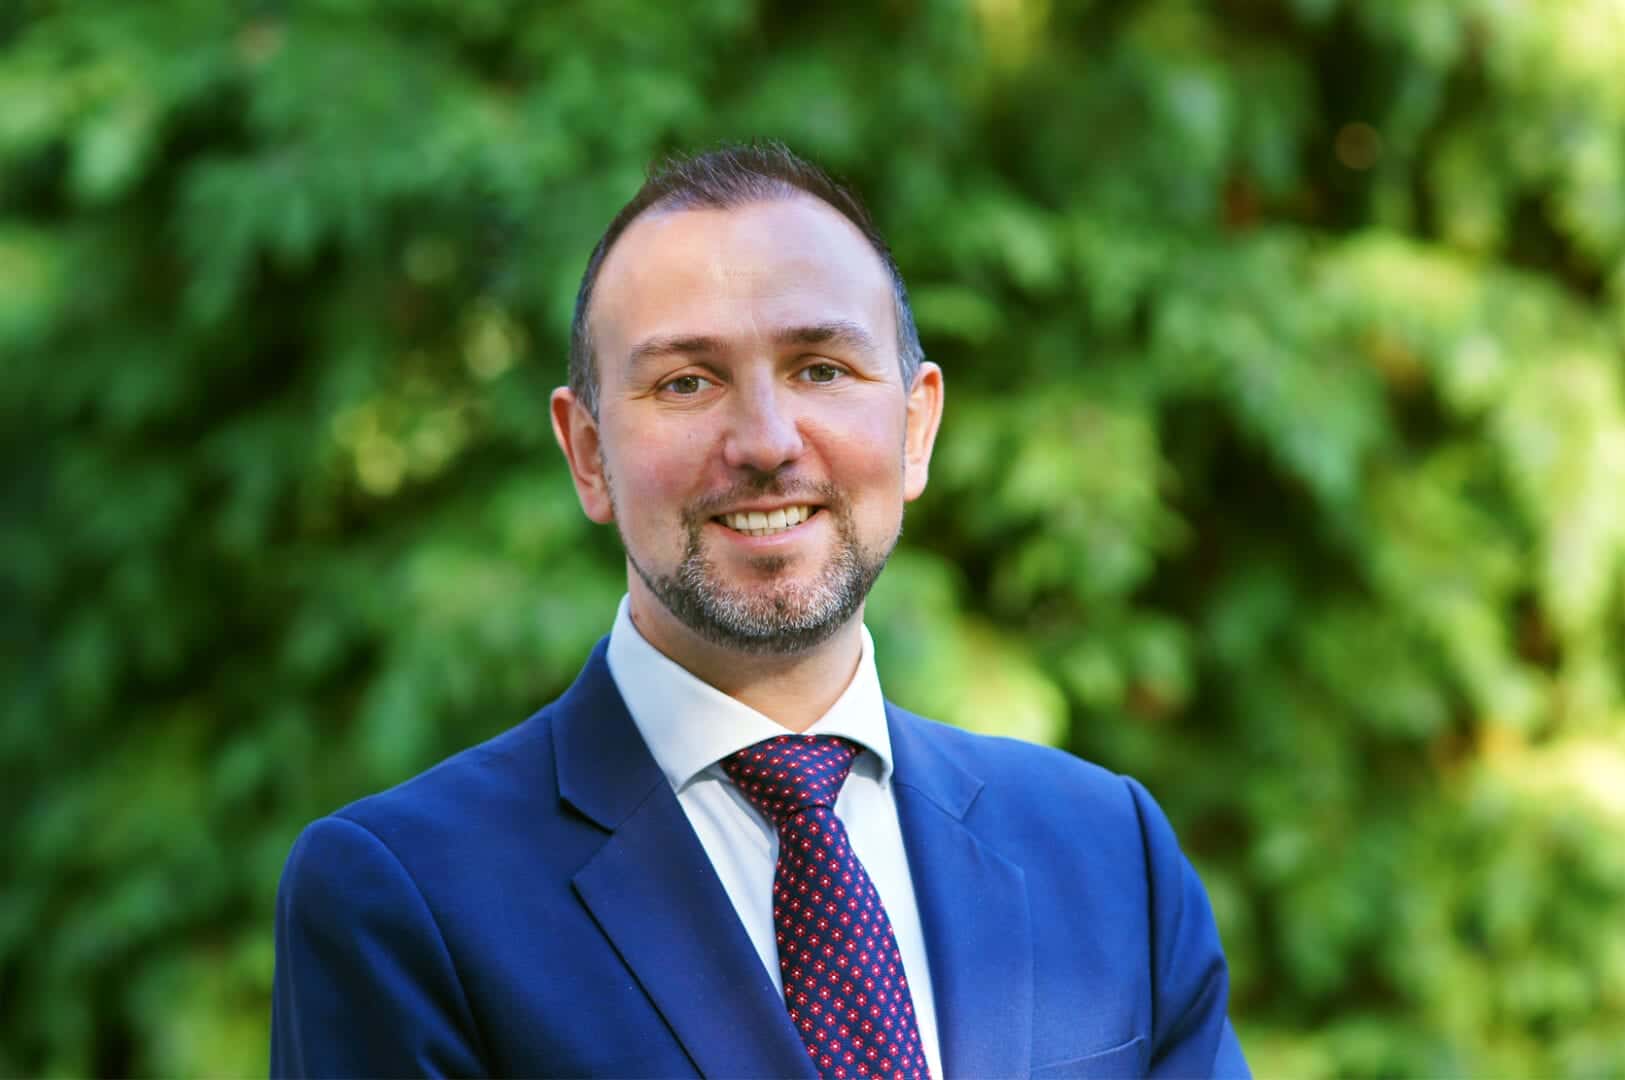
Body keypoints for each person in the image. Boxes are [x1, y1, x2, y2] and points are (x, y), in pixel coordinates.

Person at [270, 142, 1250, 1079]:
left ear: (915, 428)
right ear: (588, 454)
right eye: (686, 382)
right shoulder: (404, 897)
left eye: (820, 368)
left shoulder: (1108, 854)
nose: (766, 441)